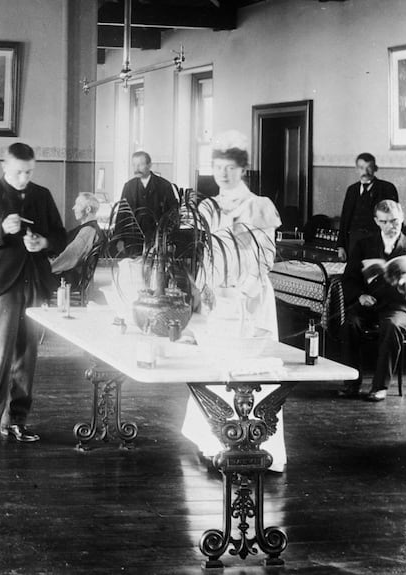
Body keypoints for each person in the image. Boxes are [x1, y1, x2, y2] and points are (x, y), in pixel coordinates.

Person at [181, 130, 285, 471]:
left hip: (247, 298)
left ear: (243, 170)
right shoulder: (207, 206)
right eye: (218, 167)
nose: (223, 174)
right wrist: (203, 289)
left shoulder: (259, 205)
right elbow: (205, 255)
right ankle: (212, 442)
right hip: (216, 295)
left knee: (248, 369)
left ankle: (254, 442)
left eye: (230, 167)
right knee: (213, 367)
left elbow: (266, 256)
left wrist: (243, 292)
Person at [0, 142, 68, 453]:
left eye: (29, 172)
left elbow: (61, 236)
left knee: (26, 356)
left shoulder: (42, 195)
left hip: (34, 283)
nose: (24, 178)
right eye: (19, 172)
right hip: (3, 285)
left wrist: (44, 241)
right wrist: (0, 230)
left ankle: (17, 422)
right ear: (5, 167)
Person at [338, 199, 406, 402]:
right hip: (370, 304)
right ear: (376, 221)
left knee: (392, 326)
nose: (390, 226)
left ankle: (380, 387)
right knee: (351, 324)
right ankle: (351, 383)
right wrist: (360, 295)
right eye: (384, 222)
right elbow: (349, 279)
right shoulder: (364, 245)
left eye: (394, 221)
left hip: (399, 306)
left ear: (402, 218)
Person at [113, 151, 178, 256]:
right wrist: (119, 239)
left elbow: (173, 215)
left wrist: (169, 241)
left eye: (140, 164)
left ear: (149, 165)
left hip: (157, 242)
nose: (136, 168)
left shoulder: (164, 186)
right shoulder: (129, 187)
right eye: (134, 165)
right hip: (133, 241)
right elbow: (122, 214)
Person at [338, 153, 399, 262]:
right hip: (354, 242)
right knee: (354, 274)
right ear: (356, 169)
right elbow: (345, 219)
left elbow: (394, 220)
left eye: (369, 168)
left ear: (375, 168)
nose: (365, 172)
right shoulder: (352, 190)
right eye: (361, 168)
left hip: (377, 242)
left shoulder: (387, 188)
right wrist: (341, 246)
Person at [50, 192, 105, 280]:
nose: (73, 208)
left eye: (78, 205)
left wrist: (47, 268)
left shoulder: (88, 231)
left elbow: (70, 257)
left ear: (88, 209)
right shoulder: (90, 228)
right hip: (69, 273)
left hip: (69, 278)